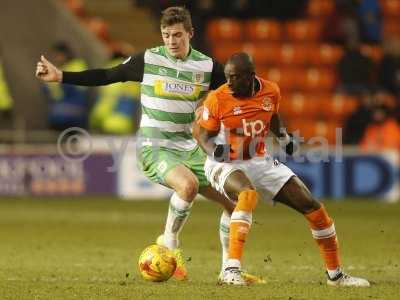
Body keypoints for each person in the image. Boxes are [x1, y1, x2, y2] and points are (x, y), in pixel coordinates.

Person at [35, 6, 261, 283]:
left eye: (177, 35)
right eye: (166, 35)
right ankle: (170, 245)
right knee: (187, 186)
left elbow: (235, 92)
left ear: (190, 33)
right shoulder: (149, 59)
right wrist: (61, 76)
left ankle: (229, 270)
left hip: (190, 147)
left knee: (234, 203)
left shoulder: (207, 66)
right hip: (155, 146)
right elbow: (109, 75)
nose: (171, 41)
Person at [195, 52, 370, 287]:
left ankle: (336, 275)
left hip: (259, 161)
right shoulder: (218, 98)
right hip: (225, 163)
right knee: (247, 194)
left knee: (314, 207)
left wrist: (284, 137)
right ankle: (231, 270)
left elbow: (273, 117)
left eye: (234, 77)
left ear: (250, 77)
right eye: (227, 77)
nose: (229, 82)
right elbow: (202, 136)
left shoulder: (271, 91)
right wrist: (215, 151)